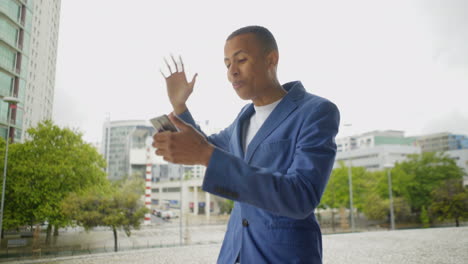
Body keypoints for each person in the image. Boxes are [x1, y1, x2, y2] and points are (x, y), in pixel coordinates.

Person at [153, 25, 340, 264]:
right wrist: (179, 106)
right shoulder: (243, 118)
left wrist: (205, 154)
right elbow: (207, 147)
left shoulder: (316, 111)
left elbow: (301, 196)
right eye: (227, 64)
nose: (232, 72)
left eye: (241, 60)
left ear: (271, 59)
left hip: (284, 257)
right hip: (235, 254)